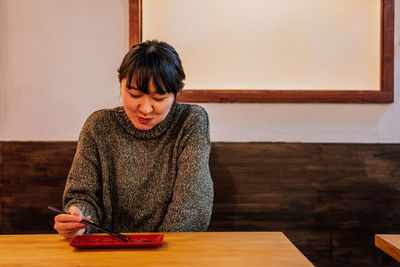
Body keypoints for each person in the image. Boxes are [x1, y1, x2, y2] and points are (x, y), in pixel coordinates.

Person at [53, 40, 213, 239]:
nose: (145, 109)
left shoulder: (190, 121)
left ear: (177, 91)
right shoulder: (99, 126)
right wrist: (79, 219)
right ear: (120, 80)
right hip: (108, 251)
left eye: (159, 98)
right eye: (134, 94)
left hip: (170, 254)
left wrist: (157, 252)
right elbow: (83, 197)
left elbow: (192, 207)